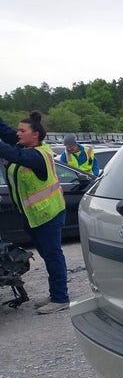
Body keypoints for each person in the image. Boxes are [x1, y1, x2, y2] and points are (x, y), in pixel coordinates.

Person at [0, 111, 70, 314]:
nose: (18, 134)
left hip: (48, 215)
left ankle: (60, 298)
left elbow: (10, 153)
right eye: (18, 130)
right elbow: (6, 133)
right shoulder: (25, 144)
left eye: (22, 131)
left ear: (35, 135)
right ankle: (56, 293)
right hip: (33, 215)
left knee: (53, 255)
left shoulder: (37, 155)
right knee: (49, 256)